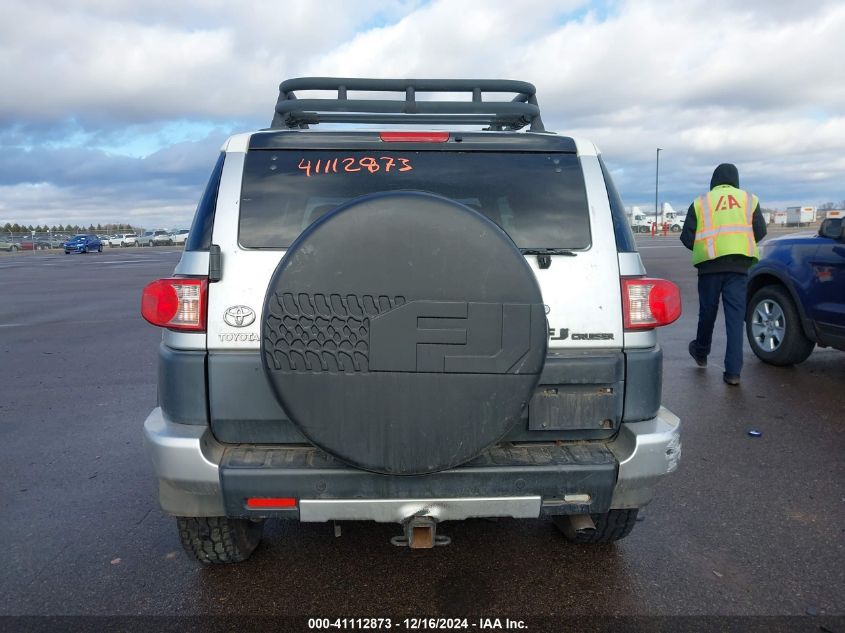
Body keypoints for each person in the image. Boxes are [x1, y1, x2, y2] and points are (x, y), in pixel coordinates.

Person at [680, 163, 767, 386]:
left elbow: (686, 237)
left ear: (714, 180)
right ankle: (733, 372)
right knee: (735, 318)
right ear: (736, 180)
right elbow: (760, 231)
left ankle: (701, 353)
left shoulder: (701, 202)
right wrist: (737, 244)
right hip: (739, 266)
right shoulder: (749, 199)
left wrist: (705, 247)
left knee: (707, 312)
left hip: (709, 265)